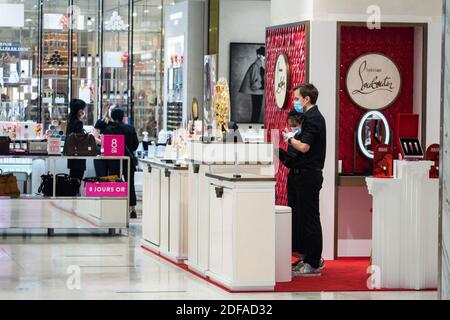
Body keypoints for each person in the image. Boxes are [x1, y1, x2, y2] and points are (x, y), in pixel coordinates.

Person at [282, 83, 327, 277]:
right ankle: (307, 257)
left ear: (307, 99)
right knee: (303, 218)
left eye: (297, 99)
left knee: (310, 218)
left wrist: (290, 139)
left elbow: (305, 147)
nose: (295, 103)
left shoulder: (313, 119)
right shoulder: (309, 118)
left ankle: (314, 261)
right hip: (302, 174)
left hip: (309, 174)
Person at [104, 108, 139, 219]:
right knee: (130, 184)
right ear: (123, 116)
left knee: (115, 183)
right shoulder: (130, 128)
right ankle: (132, 209)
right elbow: (135, 145)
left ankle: (115, 207)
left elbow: (106, 146)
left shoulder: (108, 129)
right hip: (128, 160)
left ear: (112, 117)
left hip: (114, 161)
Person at [239, 46, 265, 123]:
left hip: (258, 91)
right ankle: (254, 126)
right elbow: (254, 83)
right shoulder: (256, 66)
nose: (265, 57)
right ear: (259, 55)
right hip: (257, 91)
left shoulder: (258, 65)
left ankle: (254, 125)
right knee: (256, 111)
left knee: (256, 111)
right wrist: (262, 85)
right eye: (263, 55)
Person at [66, 99, 87, 182]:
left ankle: (72, 194)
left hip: (72, 154)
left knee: (73, 178)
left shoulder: (70, 120)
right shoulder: (78, 123)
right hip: (79, 155)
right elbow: (81, 139)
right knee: (77, 179)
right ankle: (74, 194)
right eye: (83, 109)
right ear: (80, 110)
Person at [93, 104, 114, 177]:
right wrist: (105, 143)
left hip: (113, 153)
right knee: (101, 176)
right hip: (100, 152)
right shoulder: (101, 122)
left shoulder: (117, 124)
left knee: (113, 177)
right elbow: (94, 138)